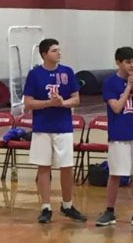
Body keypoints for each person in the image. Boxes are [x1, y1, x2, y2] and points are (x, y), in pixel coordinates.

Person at [22, 38, 86, 224]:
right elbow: (28, 103)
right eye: (54, 50)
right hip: (42, 127)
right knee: (43, 167)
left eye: (59, 49)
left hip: (63, 127)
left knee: (66, 166)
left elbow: (76, 99)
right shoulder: (35, 74)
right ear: (44, 54)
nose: (59, 53)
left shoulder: (67, 72)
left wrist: (62, 103)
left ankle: (67, 205)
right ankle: (45, 207)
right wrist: (49, 103)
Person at [95, 47, 133, 229]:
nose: (131, 65)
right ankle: (109, 210)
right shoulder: (110, 83)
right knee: (115, 174)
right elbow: (117, 107)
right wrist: (128, 87)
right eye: (128, 62)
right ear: (118, 62)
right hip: (118, 134)